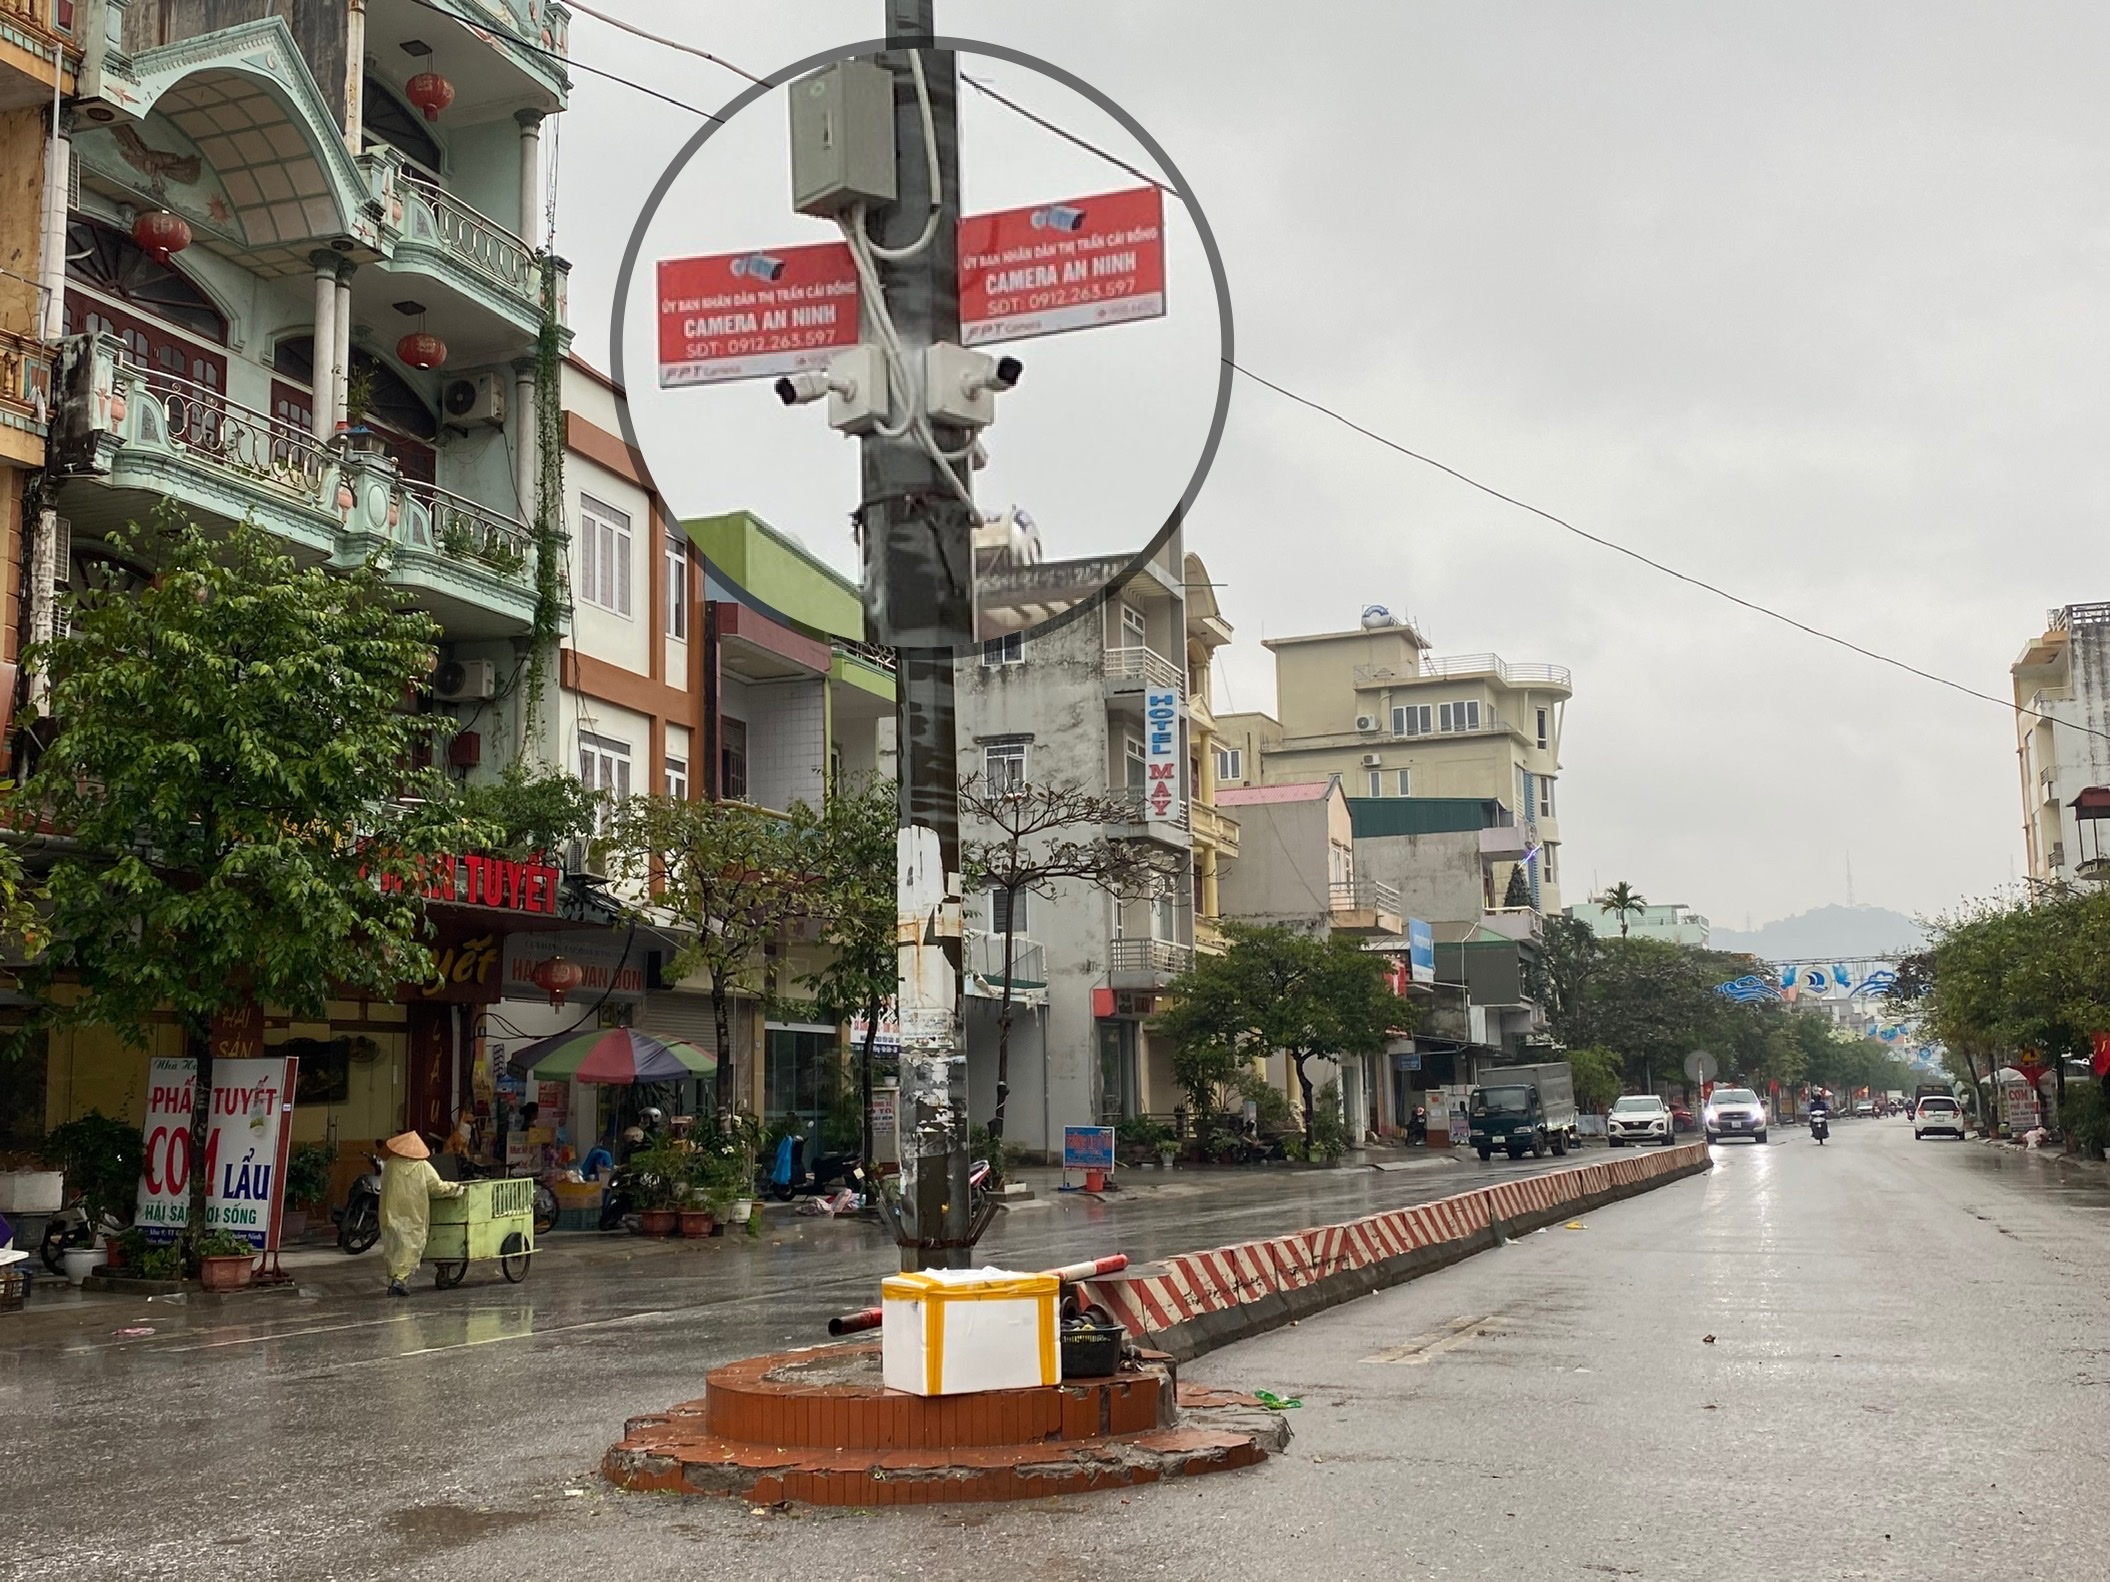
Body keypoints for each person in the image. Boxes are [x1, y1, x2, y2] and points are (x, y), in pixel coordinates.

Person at [379, 1130, 464, 1298]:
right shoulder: (422, 1166)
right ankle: (399, 1280)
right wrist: (456, 1188)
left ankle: (394, 1280)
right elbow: (437, 1187)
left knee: (392, 1247)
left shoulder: (391, 1164)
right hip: (413, 1214)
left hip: (389, 1212)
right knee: (409, 1247)